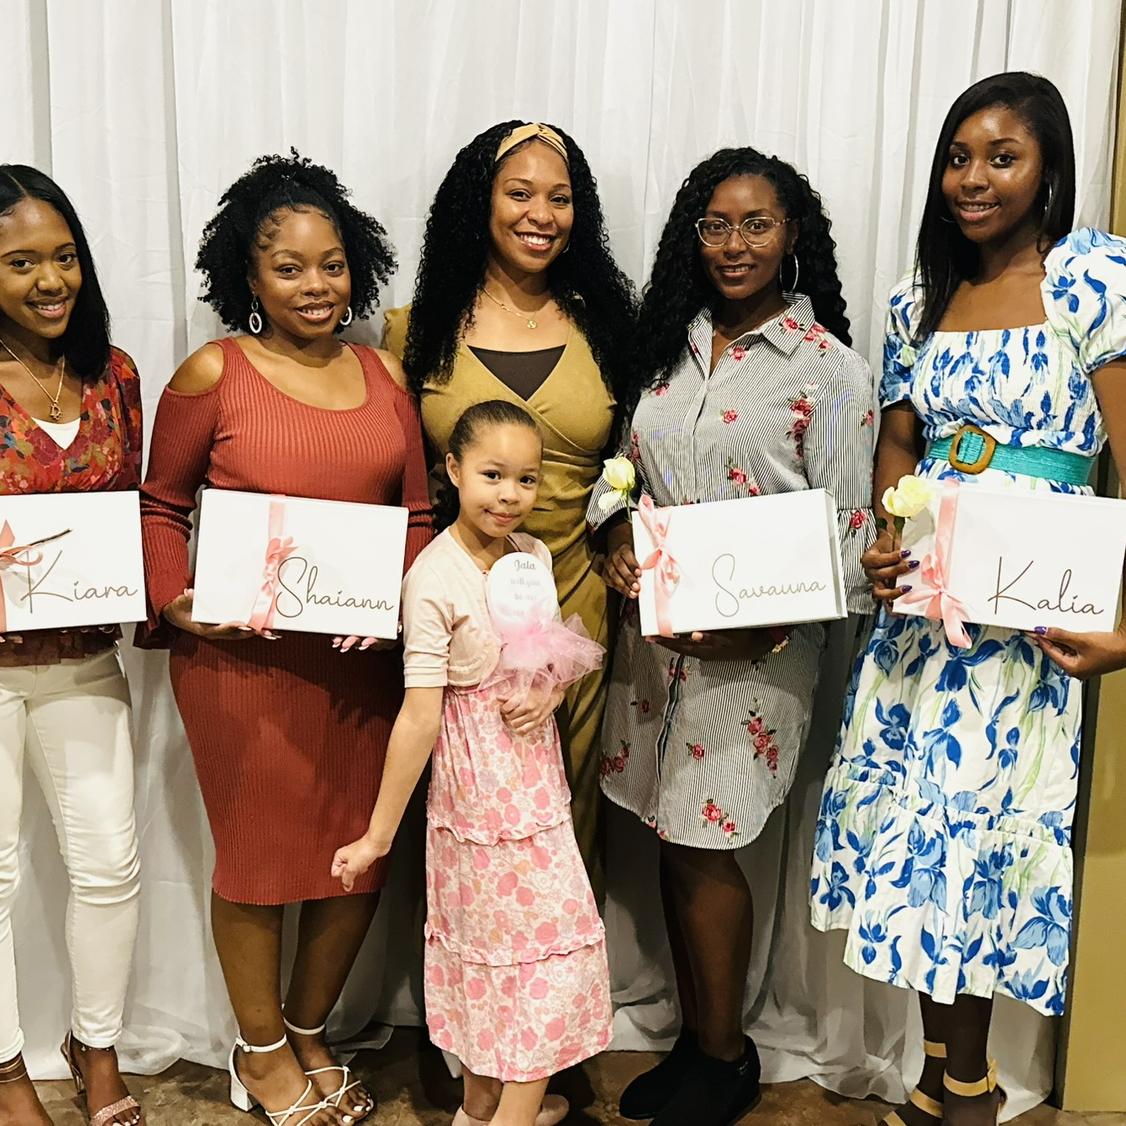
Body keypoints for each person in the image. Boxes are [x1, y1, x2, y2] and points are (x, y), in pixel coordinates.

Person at [810, 72, 1126, 1126]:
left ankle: (970, 1092)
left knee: (984, 847)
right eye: (958, 157)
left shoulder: (1094, 278)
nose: (974, 178)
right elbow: (899, 445)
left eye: (1002, 156)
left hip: (1028, 628)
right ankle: (947, 1081)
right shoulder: (919, 296)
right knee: (917, 845)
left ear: (1049, 170)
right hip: (922, 623)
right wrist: (881, 543)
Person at [139, 152, 431, 1126]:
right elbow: (160, 503)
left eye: (332, 264)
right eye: (291, 267)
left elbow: (418, 516)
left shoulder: (384, 375)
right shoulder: (213, 372)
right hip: (240, 667)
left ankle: (309, 1030)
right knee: (259, 863)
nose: (317, 285)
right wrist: (175, 599)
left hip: (361, 668)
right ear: (250, 278)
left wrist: (396, 610)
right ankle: (259, 1054)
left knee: (358, 856)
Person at [589, 147, 875, 1126]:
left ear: (793, 234)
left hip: (758, 656)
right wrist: (613, 536)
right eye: (716, 224)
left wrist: (762, 624)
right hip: (658, 646)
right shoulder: (665, 349)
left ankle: (724, 1057)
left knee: (708, 844)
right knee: (670, 841)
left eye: (757, 223)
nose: (734, 243)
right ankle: (697, 1040)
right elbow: (620, 472)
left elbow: (849, 536)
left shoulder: (831, 371)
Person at [332, 400, 611, 1126]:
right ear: (453, 470)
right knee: (508, 954)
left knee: (534, 950)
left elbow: (547, 654)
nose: (509, 495)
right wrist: (378, 836)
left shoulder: (532, 557)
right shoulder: (433, 577)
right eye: (493, 475)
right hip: (478, 800)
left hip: (536, 788)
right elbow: (420, 715)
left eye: (526, 479)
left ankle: (483, 1106)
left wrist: (548, 691)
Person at [383, 121, 636, 890]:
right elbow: (393, 477)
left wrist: (621, 533)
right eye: (519, 193)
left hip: (573, 605)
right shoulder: (415, 331)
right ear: (480, 203)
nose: (541, 214)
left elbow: (634, 460)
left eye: (560, 198)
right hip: (454, 606)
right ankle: (467, 962)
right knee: (465, 810)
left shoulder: (608, 328)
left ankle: (565, 966)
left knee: (565, 812)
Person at [0, 165, 144, 1126]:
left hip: (83, 657)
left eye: (64, 257)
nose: (51, 280)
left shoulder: (113, 375)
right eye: (21, 263)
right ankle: (6, 1071)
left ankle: (96, 1048)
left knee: (110, 863)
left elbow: (136, 514)